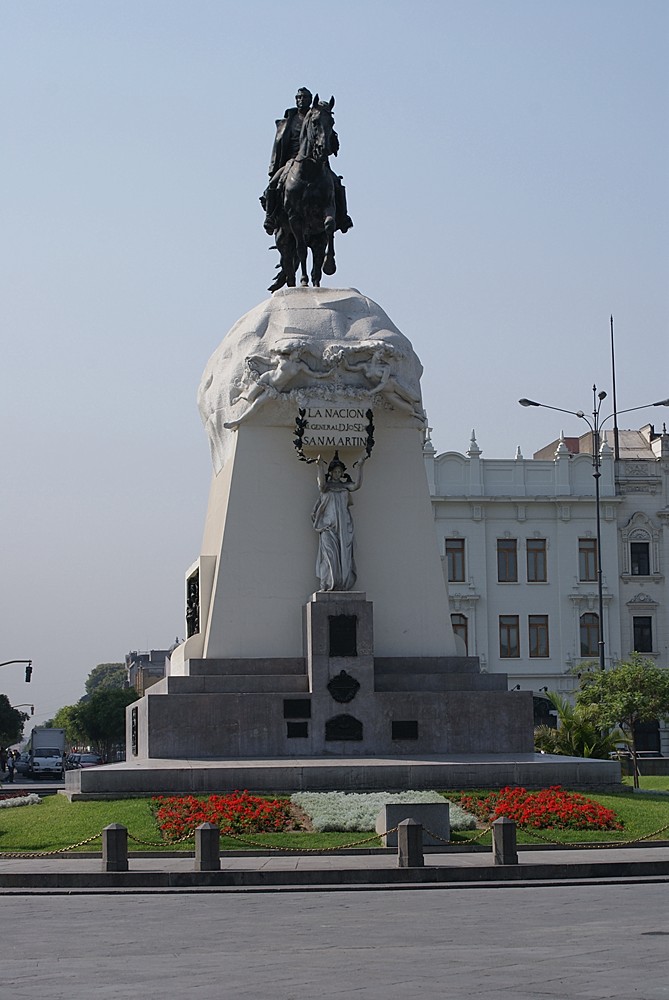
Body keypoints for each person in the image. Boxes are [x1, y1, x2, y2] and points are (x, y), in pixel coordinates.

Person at [261, 87, 352, 289]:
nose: (301, 100)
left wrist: (331, 138)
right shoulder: (289, 121)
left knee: (337, 184)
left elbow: (333, 144)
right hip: (292, 163)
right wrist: (274, 166)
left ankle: (343, 217)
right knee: (274, 185)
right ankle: (271, 216)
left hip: (319, 162)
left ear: (310, 100)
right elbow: (278, 146)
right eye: (299, 97)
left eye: (305, 98)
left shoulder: (318, 118)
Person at [312, 451, 368, 591]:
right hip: (328, 528)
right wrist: (319, 467)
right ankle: (326, 584)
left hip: (343, 528)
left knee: (344, 557)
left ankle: (343, 584)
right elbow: (321, 485)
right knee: (329, 557)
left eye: (339, 472)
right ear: (330, 472)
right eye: (335, 471)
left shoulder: (344, 487)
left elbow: (356, 486)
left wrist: (360, 466)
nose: (337, 474)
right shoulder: (326, 488)